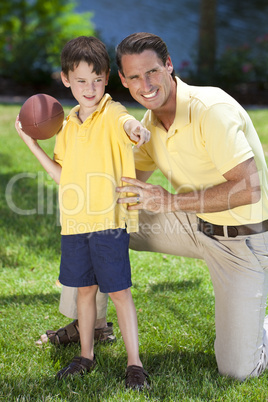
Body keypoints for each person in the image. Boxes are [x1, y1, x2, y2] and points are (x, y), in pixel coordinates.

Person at [41, 32, 268, 381]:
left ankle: (260, 330)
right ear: (123, 81)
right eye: (133, 77)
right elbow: (120, 183)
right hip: (193, 223)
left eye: (151, 72)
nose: (144, 84)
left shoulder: (211, 110)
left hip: (243, 240)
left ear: (169, 66)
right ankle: (92, 324)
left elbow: (249, 188)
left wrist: (170, 201)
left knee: (238, 369)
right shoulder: (149, 124)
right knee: (98, 221)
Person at [15, 35, 150, 389]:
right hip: (75, 224)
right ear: (65, 79)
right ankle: (85, 354)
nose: (89, 88)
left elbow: (127, 124)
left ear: (106, 78)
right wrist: (32, 144)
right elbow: (63, 176)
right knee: (85, 292)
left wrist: (136, 129)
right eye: (80, 81)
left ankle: (134, 363)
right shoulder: (66, 127)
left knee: (120, 293)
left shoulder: (113, 113)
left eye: (96, 79)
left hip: (109, 223)